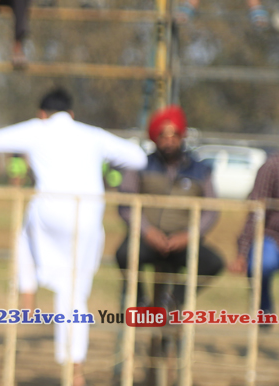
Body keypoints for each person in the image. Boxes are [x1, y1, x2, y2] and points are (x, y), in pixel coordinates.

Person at [0, 88, 147, 386]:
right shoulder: (93, 135)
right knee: (74, 296)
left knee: (26, 227)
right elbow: (138, 158)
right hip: (87, 219)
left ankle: (27, 295)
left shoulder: (37, 129)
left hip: (49, 215)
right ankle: (76, 373)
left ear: (42, 114)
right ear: (71, 113)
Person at [116, 106, 223, 312]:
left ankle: (173, 301)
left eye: (174, 135)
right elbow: (126, 204)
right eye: (163, 136)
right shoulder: (140, 165)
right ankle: (141, 301)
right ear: (155, 138)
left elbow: (211, 210)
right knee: (124, 254)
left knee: (212, 263)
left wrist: (189, 236)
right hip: (147, 238)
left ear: (182, 136)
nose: (169, 141)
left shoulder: (200, 170)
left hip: (182, 241)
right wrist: (147, 231)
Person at [230, 151, 279, 318]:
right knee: (261, 264)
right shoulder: (272, 167)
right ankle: (263, 309)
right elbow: (256, 213)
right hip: (272, 237)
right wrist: (242, 254)